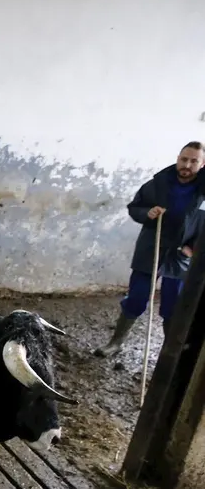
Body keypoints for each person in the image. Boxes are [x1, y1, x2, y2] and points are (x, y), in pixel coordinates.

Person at [94, 142, 205, 357]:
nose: (187, 165)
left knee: (174, 306)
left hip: (181, 255)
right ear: (178, 158)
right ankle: (115, 343)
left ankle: (168, 352)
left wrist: (194, 248)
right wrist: (147, 213)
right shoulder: (158, 184)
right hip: (151, 249)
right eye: (184, 159)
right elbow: (134, 208)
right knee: (136, 297)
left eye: (194, 161)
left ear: (202, 164)